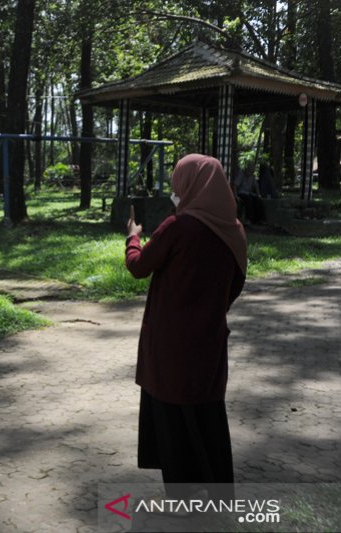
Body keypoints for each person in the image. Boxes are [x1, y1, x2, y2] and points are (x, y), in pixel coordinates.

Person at [125, 154, 247, 501]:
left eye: (178, 182)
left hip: (170, 344)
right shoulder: (234, 231)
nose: (175, 191)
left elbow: (139, 266)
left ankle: (183, 500)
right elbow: (236, 284)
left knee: (172, 417)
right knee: (206, 413)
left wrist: (133, 237)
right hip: (209, 340)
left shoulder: (178, 226)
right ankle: (218, 490)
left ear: (190, 183)